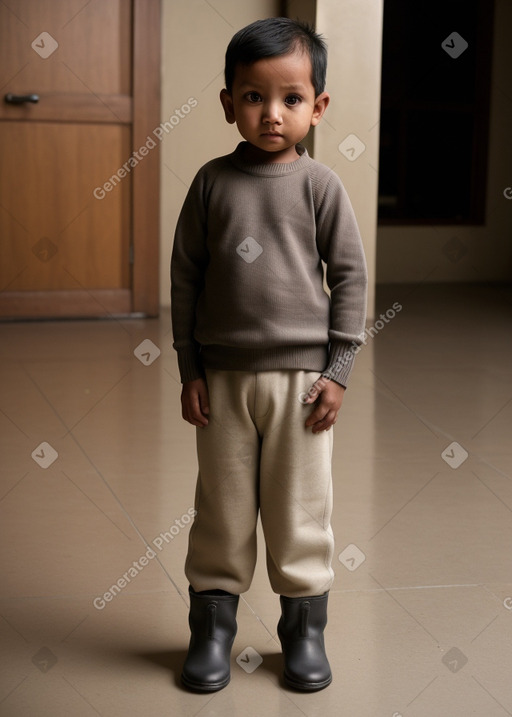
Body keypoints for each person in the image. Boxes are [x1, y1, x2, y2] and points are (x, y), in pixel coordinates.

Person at [171, 16, 367, 693]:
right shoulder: (210, 184)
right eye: (253, 96)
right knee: (221, 506)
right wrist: (189, 367)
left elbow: (350, 279)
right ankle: (213, 626)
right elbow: (186, 278)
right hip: (223, 379)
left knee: (299, 508)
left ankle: (302, 627)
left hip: (303, 383)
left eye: (290, 98)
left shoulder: (321, 188)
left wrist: (339, 370)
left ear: (318, 107)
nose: (271, 113)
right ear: (229, 102)